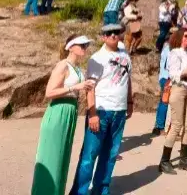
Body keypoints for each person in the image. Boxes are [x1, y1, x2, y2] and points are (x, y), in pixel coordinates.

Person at [70, 24, 134, 194]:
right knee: (89, 156)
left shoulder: (125, 55)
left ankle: (101, 189)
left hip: (119, 111)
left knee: (110, 155)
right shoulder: (97, 58)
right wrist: (92, 114)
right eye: (109, 33)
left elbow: (128, 80)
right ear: (103, 37)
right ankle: (80, 191)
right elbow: (89, 87)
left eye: (116, 32)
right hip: (101, 111)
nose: (113, 35)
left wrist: (129, 102)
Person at [30, 35, 95, 195]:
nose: (85, 48)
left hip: (70, 112)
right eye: (81, 45)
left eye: (86, 45)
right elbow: (49, 92)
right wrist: (75, 87)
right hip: (59, 111)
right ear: (70, 47)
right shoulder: (63, 65)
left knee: (62, 159)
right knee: (51, 157)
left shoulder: (77, 68)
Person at [159, 28, 187, 174]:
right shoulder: (175, 53)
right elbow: (173, 74)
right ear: (179, 37)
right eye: (185, 36)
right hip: (178, 89)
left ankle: (184, 159)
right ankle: (164, 161)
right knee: (177, 125)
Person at [152, 38, 171, 136]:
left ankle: (158, 125)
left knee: (163, 101)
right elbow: (169, 66)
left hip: (163, 77)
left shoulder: (166, 47)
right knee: (165, 102)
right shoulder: (170, 49)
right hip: (167, 78)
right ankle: (160, 126)